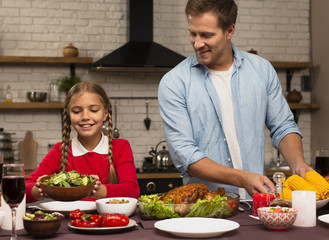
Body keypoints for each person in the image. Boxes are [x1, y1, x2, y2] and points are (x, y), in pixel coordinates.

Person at [158, 0, 313, 200]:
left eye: (206, 35)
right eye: (192, 33)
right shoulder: (174, 83)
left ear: (230, 30)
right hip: (207, 211)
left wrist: (298, 164)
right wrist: (242, 178)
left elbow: (282, 125)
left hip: (258, 206)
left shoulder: (262, 70)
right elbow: (187, 157)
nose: (197, 43)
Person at [26, 81, 140, 203]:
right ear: (69, 115)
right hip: (68, 220)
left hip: (109, 220)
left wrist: (97, 190)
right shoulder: (59, 150)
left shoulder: (121, 147)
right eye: (76, 111)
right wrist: (39, 189)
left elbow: (132, 191)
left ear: (105, 113)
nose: (85, 116)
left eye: (94, 110)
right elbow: (25, 188)